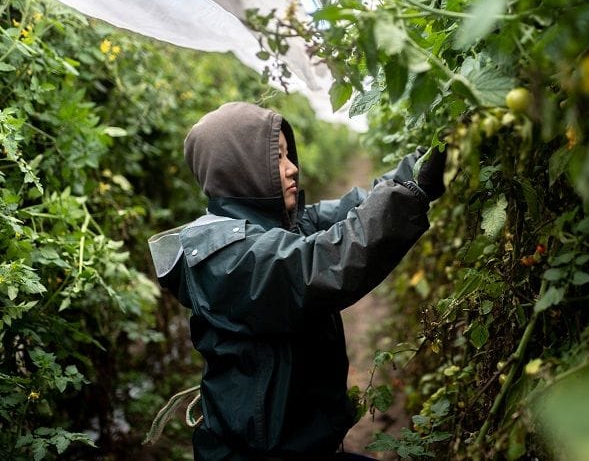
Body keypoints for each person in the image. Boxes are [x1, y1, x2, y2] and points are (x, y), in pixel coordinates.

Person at [148, 102, 446, 460]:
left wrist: (424, 160)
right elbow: (325, 261)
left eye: (288, 156)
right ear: (239, 167)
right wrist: (410, 195)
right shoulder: (224, 257)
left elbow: (357, 210)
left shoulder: (274, 226)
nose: (292, 169)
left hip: (300, 444)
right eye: (276, 158)